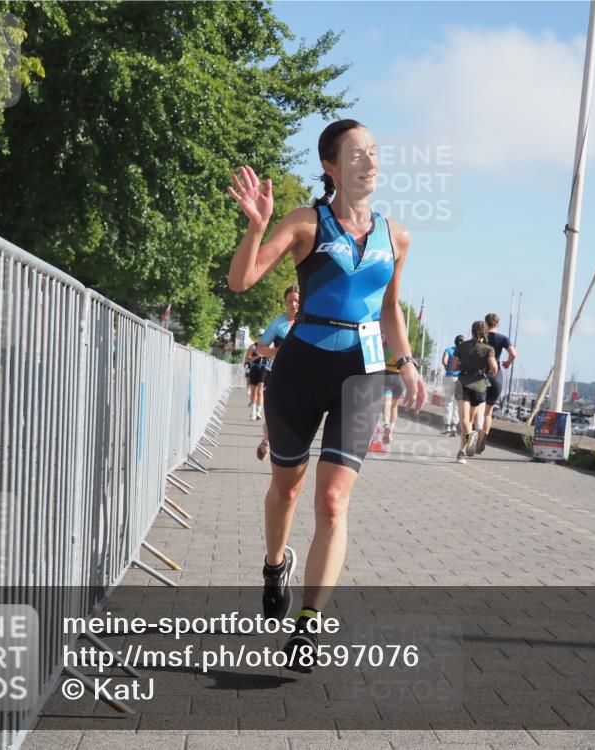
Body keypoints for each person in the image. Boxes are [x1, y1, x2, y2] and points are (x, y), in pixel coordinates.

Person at [227, 119, 425, 671]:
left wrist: (404, 363)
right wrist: (256, 227)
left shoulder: (397, 235)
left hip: (362, 375)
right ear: (331, 166)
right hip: (301, 366)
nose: (369, 161)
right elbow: (242, 281)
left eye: (375, 152)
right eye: (356, 153)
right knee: (287, 489)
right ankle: (273, 565)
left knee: (333, 500)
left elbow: (389, 309)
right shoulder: (305, 223)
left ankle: (309, 625)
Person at [253, 286, 300, 459]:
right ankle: (268, 440)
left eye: (297, 301)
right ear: (286, 303)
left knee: (295, 416)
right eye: (290, 301)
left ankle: (287, 452)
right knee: (275, 415)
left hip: (302, 377)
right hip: (278, 375)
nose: (294, 304)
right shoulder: (278, 323)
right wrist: (277, 352)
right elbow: (259, 349)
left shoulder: (309, 323)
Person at [452, 321, 497, 464]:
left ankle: (462, 451)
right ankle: (463, 449)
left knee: (465, 420)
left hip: (463, 383)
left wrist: (464, 364)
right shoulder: (488, 349)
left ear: (471, 331)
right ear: (485, 332)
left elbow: (453, 366)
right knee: (470, 420)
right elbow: (494, 369)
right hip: (479, 387)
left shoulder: (461, 346)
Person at [474, 313, 516, 454]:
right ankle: (483, 437)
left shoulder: (481, 338)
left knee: (478, 408)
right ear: (498, 324)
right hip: (496, 376)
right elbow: (513, 353)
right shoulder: (503, 338)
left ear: (486, 324)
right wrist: (508, 363)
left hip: (482, 375)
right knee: (488, 412)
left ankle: (475, 434)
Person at [380, 338, 405, 443]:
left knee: (386, 402)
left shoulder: (384, 343)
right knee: (394, 405)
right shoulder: (403, 345)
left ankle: (386, 424)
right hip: (399, 378)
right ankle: (391, 427)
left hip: (387, 375)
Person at [441, 336, 464, 435]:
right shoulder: (464, 353)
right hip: (459, 379)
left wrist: (448, 368)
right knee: (457, 402)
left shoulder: (448, 350)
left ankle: (447, 427)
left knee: (448, 401)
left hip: (449, 378)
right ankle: (454, 425)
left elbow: (444, 361)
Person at [244, 341, 267, 421]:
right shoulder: (253, 346)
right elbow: (248, 359)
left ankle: (258, 412)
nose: (262, 338)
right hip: (254, 368)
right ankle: (253, 412)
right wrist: (257, 356)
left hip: (264, 369)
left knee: (260, 390)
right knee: (254, 391)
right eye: (260, 336)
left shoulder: (268, 346)